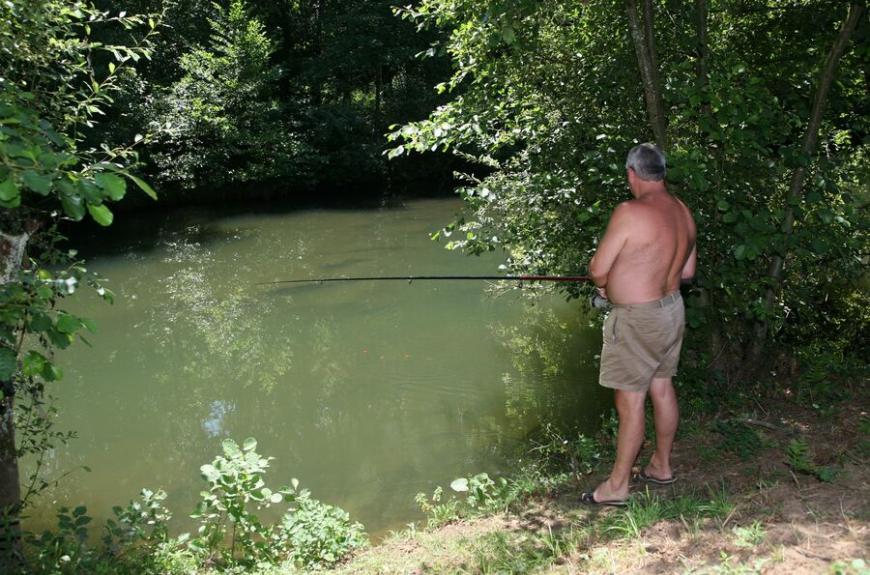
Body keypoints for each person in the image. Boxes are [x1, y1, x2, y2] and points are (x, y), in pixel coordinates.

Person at [582, 143, 696, 506]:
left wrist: (604, 284)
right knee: (661, 387)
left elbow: (598, 269)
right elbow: (688, 271)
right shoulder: (682, 210)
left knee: (629, 401)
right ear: (661, 172)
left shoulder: (629, 211)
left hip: (638, 319)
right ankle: (661, 465)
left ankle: (617, 486)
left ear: (632, 173)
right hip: (672, 309)